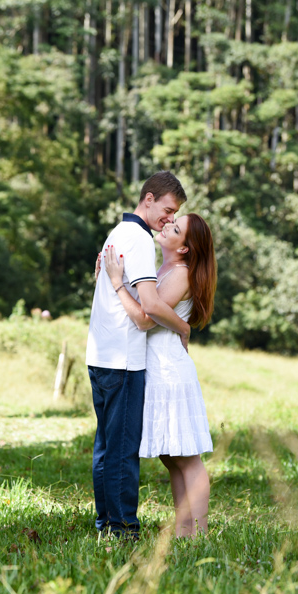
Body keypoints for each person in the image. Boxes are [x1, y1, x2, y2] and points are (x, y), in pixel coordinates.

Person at [85, 171, 191, 539]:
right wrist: (183, 326)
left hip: (99, 354)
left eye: (174, 214)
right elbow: (148, 310)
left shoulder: (118, 233)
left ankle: (105, 525)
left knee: (106, 447)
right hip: (124, 359)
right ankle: (123, 529)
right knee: (123, 450)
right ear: (148, 199)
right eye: (167, 209)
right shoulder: (141, 240)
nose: (169, 219)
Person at [101, 212, 217, 537]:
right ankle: (184, 531)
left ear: (184, 249)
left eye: (175, 228)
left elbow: (146, 317)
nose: (167, 225)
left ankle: (199, 530)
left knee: (188, 458)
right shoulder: (163, 267)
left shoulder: (180, 273)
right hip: (158, 369)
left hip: (169, 371)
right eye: (171, 221)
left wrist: (116, 284)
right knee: (171, 456)